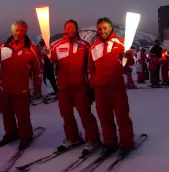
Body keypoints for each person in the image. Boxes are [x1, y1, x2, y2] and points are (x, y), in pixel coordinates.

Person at [44, 20, 100, 156]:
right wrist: (47, 55)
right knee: (66, 115)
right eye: (68, 27)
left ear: (76, 29)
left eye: (73, 27)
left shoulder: (84, 45)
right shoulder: (57, 45)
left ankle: (93, 139)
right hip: (63, 88)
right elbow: (51, 63)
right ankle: (72, 137)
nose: (71, 29)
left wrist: (92, 86)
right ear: (64, 29)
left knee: (85, 114)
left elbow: (90, 66)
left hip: (80, 87)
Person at [88, 17, 134, 157]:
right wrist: (93, 85)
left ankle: (126, 143)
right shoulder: (94, 46)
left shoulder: (121, 43)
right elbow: (90, 68)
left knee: (122, 116)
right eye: (100, 28)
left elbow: (131, 62)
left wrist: (128, 56)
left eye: (105, 28)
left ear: (111, 28)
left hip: (116, 87)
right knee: (104, 117)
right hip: (100, 89)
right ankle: (110, 143)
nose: (102, 31)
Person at [0, 20, 42, 150]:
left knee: (22, 115)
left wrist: (37, 88)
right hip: (5, 88)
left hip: (22, 89)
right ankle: (11, 134)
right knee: (7, 114)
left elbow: (38, 70)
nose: (18, 33)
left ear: (26, 31)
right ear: (12, 31)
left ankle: (26, 136)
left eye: (21, 30)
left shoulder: (31, 49)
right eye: (16, 30)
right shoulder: (3, 47)